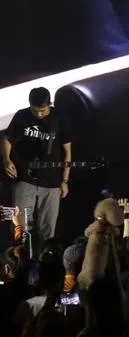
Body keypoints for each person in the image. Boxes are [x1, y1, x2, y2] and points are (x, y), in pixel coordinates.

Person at [3, 88, 71, 243]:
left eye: (43, 110)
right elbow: (7, 138)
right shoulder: (22, 115)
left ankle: (45, 263)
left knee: (48, 229)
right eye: (35, 110)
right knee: (21, 227)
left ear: (50, 104)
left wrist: (65, 181)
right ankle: (21, 261)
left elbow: (67, 152)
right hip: (25, 178)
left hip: (52, 181)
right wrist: (7, 160)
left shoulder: (59, 119)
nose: (39, 114)